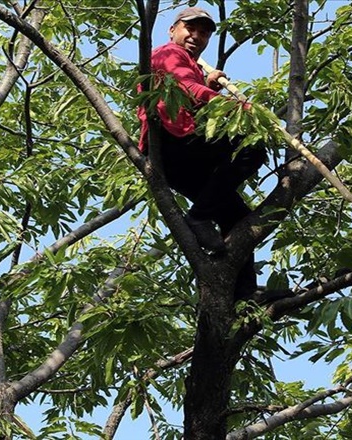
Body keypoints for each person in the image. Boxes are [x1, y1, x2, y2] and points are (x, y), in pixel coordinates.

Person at [137, 7, 266, 299]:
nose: (196, 36)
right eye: (190, 29)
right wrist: (239, 108)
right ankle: (198, 218)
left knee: (236, 215)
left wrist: (207, 85)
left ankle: (243, 295)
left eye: (204, 32)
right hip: (172, 143)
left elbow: (190, 92)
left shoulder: (190, 65)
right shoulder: (166, 53)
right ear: (173, 30)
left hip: (184, 155)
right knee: (252, 147)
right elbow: (183, 85)